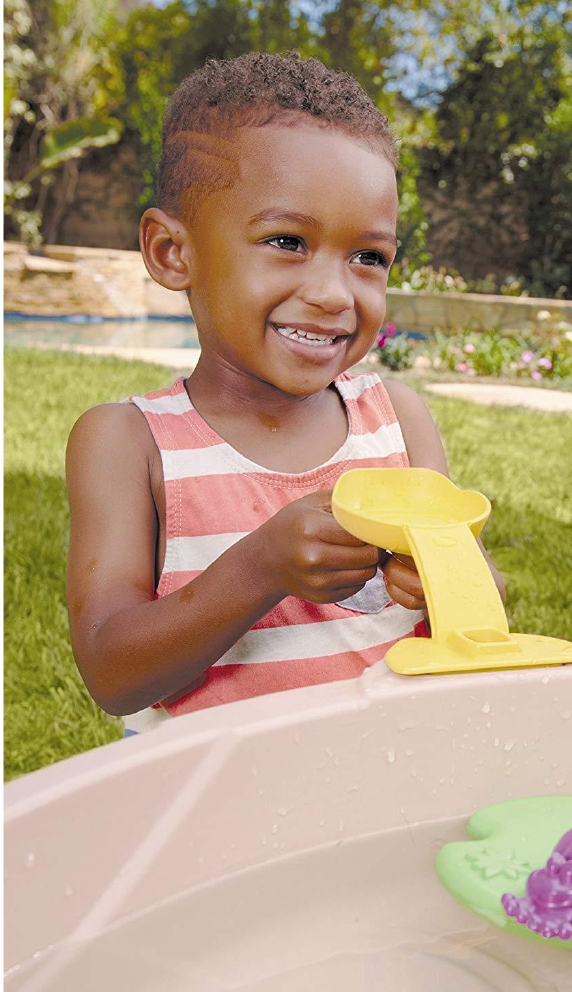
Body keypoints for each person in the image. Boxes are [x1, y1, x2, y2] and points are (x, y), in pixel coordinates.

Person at [65, 52, 504, 734]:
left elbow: (483, 612)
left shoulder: (398, 420)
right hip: (224, 812)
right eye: (287, 241)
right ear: (171, 252)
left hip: (393, 780)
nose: (333, 293)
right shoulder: (130, 443)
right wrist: (257, 568)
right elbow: (113, 673)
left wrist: (452, 582)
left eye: (369, 257)